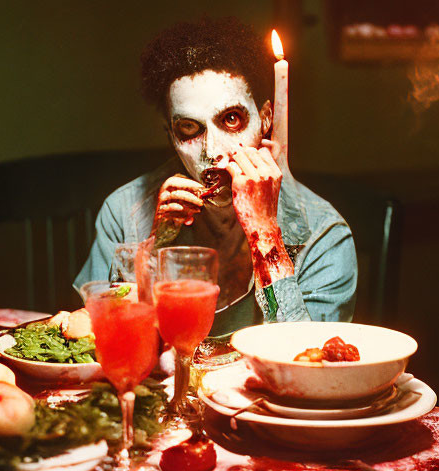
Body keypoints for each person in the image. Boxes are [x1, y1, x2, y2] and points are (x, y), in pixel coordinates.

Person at [75, 17, 356, 336]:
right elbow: (100, 342)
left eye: (231, 119)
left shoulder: (323, 234)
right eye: (190, 129)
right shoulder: (125, 211)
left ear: (265, 120)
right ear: (171, 137)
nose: (213, 151)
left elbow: (308, 368)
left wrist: (266, 236)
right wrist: (154, 249)